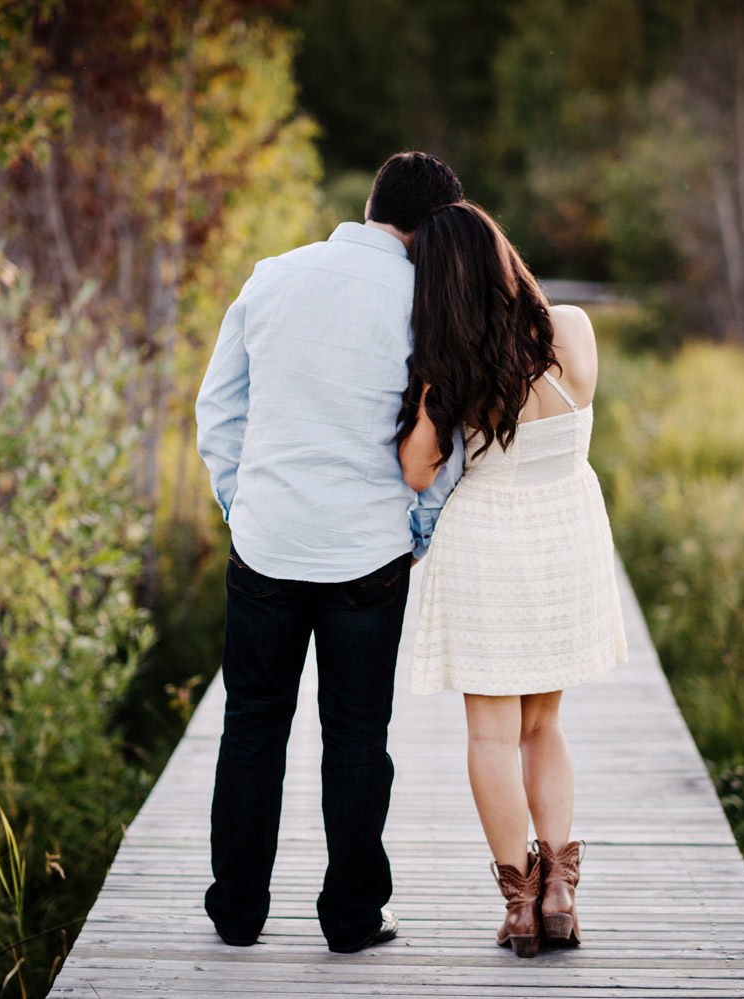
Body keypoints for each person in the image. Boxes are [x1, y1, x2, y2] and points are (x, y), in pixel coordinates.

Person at [194, 151, 466, 954]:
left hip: (269, 543)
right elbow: (445, 439)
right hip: (367, 555)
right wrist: (420, 524)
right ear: (432, 229)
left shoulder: (273, 275)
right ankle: (350, 919)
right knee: (355, 739)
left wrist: (242, 505)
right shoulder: (427, 302)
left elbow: (219, 407)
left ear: (376, 203)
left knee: (251, 727)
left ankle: (237, 912)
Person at [394, 201, 628, 958]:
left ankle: (521, 906)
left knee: (491, 732)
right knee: (543, 724)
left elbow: (417, 469)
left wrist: (429, 395)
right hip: (566, 534)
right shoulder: (574, 333)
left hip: (487, 537)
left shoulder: (450, 364)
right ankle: (560, 887)